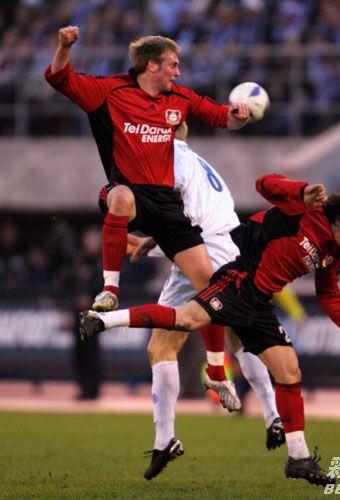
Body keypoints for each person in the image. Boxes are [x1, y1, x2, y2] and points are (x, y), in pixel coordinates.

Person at [80, 173, 340, 487]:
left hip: (260, 304)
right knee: (185, 320)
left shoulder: (334, 255)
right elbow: (264, 183)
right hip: (238, 281)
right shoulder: (306, 210)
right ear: (338, 220)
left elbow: (329, 295)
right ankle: (104, 320)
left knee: (289, 371)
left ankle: (298, 457)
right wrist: (300, 191)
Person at [44, 26, 250, 403]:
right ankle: (110, 290)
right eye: (173, 65)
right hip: (130, 192)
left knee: (210, 287)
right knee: (120, 197)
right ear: (151, 65)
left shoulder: (180, 98)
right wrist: (64, 46)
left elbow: (223, 118)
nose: (178, 72)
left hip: (166, 204)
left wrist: (239, 115)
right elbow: (58, 78)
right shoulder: (109, 91)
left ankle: (216, 371)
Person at [127, 123, 285, 479]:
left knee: (162, 345)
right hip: (231, 247)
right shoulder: (200, 162)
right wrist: (152, 241)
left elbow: (182, 221)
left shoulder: (168, 159)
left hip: (201, 249)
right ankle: (272, 413)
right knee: (240, 334)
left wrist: (149, 239)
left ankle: (166, 436)